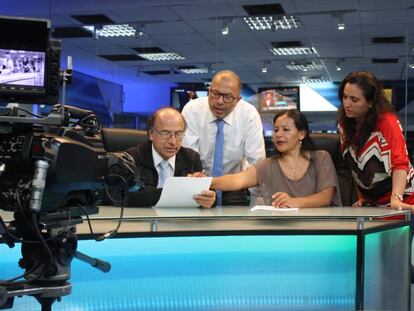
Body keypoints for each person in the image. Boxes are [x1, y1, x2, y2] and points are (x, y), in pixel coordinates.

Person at [208, 110, 341, 208]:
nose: (279, 135)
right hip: (280, 231)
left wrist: (294, 202)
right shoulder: (267, 166)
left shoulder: (321, 158)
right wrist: (204, 182)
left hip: (318, 229)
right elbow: (237, 180)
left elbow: (325, 198)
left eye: (286, 130)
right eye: (276, 130)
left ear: (302, 134)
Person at [182, 70, 266, 206]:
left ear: (238, 100)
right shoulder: (192, 110)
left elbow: (256, 163)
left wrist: (256, 204)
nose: (219, 102)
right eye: (215, 94)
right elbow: (187, 157)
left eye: (227, 97)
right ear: (209, 91)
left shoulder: (249, 115)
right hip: (196, 186)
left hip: (234, 188)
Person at [338, 71, 414, 210]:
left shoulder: (387, 122)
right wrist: (362, 197)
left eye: (354, 100)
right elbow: (355, 167)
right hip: (375, 204)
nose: (347, 104)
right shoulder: (344, 125)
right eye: (345, 97)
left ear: (371, 102)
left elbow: (400, 163)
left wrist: (396, 198)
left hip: (405, 200)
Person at [124, 107, 216, 208]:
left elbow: (207, 193)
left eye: (178, 134)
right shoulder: (132, 158)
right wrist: (180, 192)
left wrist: (209, 199)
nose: (173, 141)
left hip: (179, 222)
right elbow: (120, 195)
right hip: (140, 221)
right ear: (151, 134)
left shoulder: (191, 158)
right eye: (166, 133)